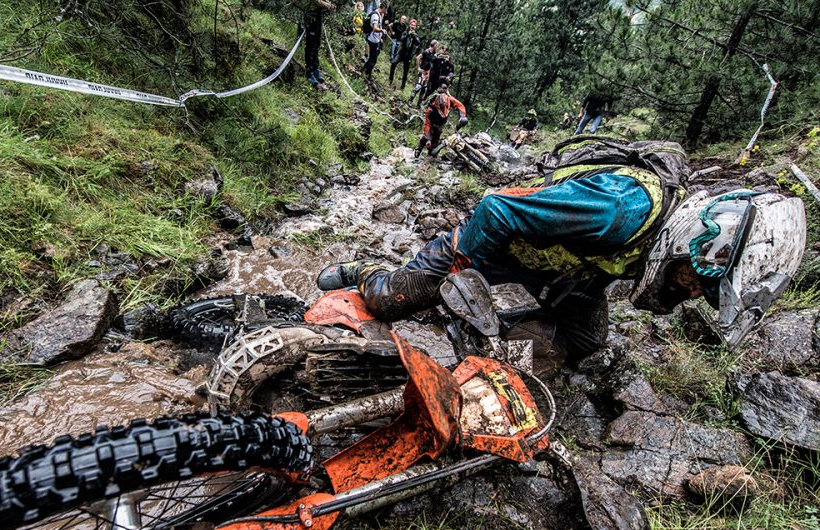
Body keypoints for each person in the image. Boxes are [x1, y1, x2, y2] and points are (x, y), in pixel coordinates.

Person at [315, 155, 806, 363]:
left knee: (586, 341)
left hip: (566, 270)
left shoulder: (656, 236)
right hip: (496, 243)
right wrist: (462, 277)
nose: (693, 293)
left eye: (705, 292)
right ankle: (367, 271)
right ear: (696, 242)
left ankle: (482, 349)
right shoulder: (616, 210)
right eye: (700, 281)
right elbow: (496, 208)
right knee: (390, 302)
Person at [415, 81, 468, 158]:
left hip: (441, 124)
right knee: (426, 138)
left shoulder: (449, 99)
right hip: (432, 122)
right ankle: (419, 149)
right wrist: (428, 138)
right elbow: (427, 125)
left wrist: (462, 117)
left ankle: (430, 156)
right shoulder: (430, 109)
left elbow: (460, 106)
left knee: (434, 145)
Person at [389, 19, 421, 88]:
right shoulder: (405, 32)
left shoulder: (416, 35)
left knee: (405, 72)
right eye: (412, 25)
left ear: (415, 27)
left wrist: (414, 36)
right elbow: (401, 39)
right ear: (409, 25)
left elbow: (418, 43)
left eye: (414, 25)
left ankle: (402, 86)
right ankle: (390, 80)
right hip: (401, 53)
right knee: (393, 63)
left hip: (408, 56)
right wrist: (408, 34)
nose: (413, 26)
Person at [409, 39, 438, 105]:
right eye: (437, 45)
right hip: (422, 71)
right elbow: (418, 58)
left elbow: (430, 63)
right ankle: (410, 100)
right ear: (434, 45)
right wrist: (418, 68)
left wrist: (429, 73)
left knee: (424, 88)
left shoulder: (433, 53)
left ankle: (419, 104)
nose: (437, 46)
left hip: (427, 73)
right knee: (418, 87)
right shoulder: (426, 51)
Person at [363, 3, 387, 80]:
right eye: (386, 9)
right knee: (373, 59)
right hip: (372, 39)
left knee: (373, 57)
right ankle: (366, 73)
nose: (386, 11)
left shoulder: (379, 14)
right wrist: (382, 30)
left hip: (376, 39)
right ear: (383, 8)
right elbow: (375, 28)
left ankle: (366, 71)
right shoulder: (375, 15)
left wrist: (380, 37)